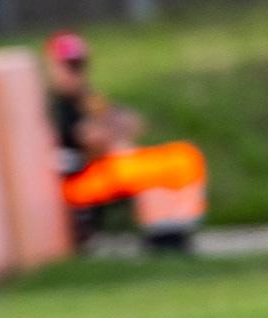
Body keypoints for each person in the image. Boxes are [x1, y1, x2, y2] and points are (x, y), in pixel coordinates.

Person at [44, 31, 206, 250]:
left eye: (78, 67)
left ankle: (173, 228)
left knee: (183, 156)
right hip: (83, 178)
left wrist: (109, 128)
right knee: (154, 169)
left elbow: (131, 123)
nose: (75, 74)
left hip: (111, 165)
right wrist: (108, 131)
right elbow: (92, 140)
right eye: (68, 67)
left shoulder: (87, 98)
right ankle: (163, 232)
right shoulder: (56, 107)